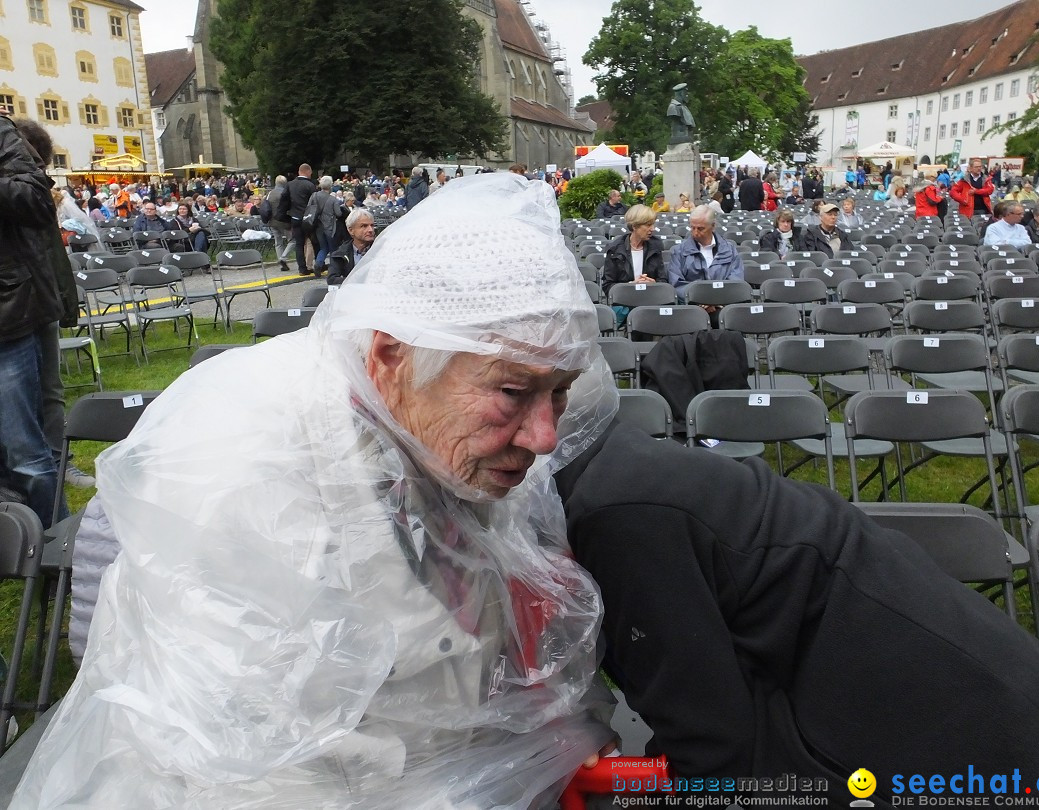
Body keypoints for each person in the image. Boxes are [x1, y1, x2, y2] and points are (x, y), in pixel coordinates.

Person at [11, 173, 620, 809]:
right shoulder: (243, 462)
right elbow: (246, 767)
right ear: (392, 358)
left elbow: (508, 629)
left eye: (560, 389)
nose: (547, 436)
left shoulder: (452, 428)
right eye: (515, 392)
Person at [554, 420, 1039, 807]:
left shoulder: (618, 515)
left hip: (974, 761)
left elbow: (714, 754)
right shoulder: (606, 468)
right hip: (934, 712)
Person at [0, 113, 76, 529]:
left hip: (17, 309)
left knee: (28, 445)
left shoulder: (4, 135)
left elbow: (34, 205)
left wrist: (63, 304)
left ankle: (53, 549)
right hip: (25, 300)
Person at [668, 205, 744, 301]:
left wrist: (715, 300)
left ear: (713, 226)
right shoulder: (679, 251)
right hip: (693, 307)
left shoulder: (729, 250)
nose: (695, 233)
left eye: (700, 229)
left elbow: (736, 280)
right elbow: (677, 284)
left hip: (724, 304)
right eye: (692, 228)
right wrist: (700, 299)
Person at [601, 203, 665, 297]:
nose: (653, 229)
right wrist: (631, 286)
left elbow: (663, 280)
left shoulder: (656, 246)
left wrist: (654, 283)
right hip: (625, 300)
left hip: (651, 298)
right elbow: (608, 286)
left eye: (653, 224)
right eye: (648, 225)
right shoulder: (615, 249)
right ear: (635, 226)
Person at [277, 163, 318, 276]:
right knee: (313, 242)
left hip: (295, 217)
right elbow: (314, 203)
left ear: (299, 172)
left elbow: (284, 201)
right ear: (308, 172)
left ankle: (302, 269)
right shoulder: (310, 185)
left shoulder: (290, 185)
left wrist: (284, 216)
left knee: (299, 244)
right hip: (308, 219)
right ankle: (317, 264)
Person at [326, 207, 376, 286]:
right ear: (351, 230)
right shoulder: (340, 254)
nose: (370, 230)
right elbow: (332, 279)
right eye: (364, 226)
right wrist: (359, 282)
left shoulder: (382, 249)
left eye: (372, 225)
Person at [310, 175, 346, 277]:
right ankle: (333, 270)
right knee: (333, 249)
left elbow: (309, 208)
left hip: (317, 226)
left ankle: (318, 264)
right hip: (330, 227)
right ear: (330, 186)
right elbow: (338, 214)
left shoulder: (314, 196)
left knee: (323, 248)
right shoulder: (333, 199)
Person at [265, 174, 294, 272]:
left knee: (278, 242)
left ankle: (282, 264)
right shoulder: (285, 193)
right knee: (293, 240)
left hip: (272, 221)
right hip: (284, 221)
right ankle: (283, 258)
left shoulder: (270, 193)